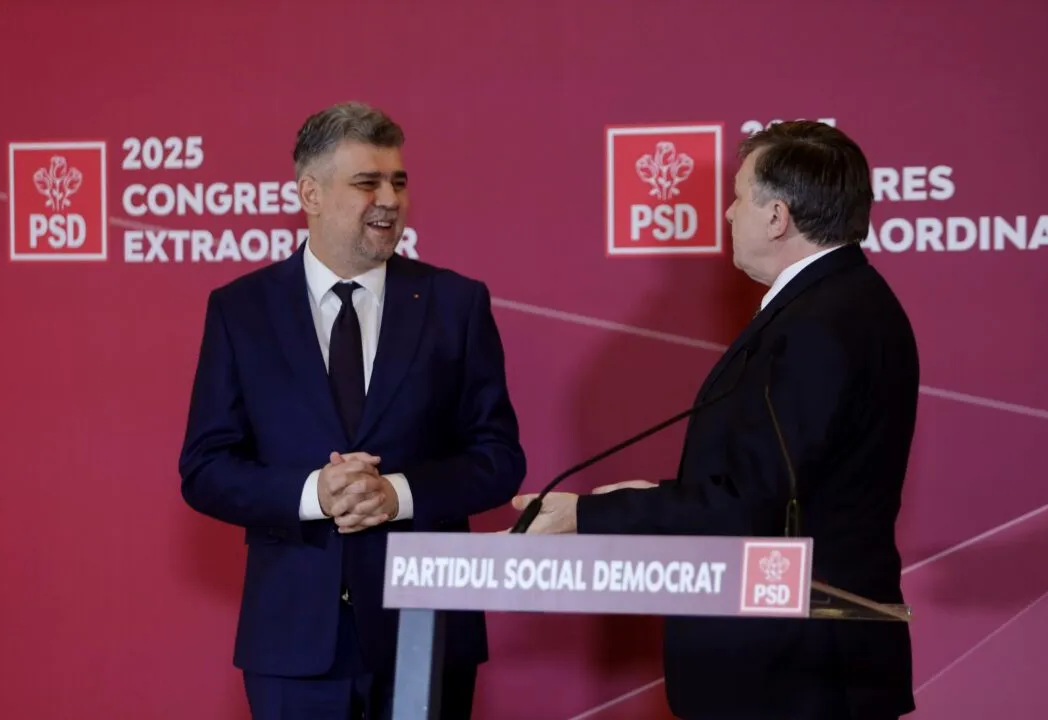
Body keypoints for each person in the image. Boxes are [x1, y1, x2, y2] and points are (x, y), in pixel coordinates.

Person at [510, 121, 918, 720]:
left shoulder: (817, 325)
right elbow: (783, 485)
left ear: (776, 217)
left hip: (794, 671)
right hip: (810, 664)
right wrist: (653, 496)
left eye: (737, 197)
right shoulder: (847, 302)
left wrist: (586, 515)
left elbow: (751, 504)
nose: (727, 214)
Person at [179, 101, 526, 720]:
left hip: (425, 632)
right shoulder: (241, 310)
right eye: (367, 182)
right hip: (293, 640)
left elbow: (498, 459)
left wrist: (397, 494)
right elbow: (205, 468)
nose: (389, 199)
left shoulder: (455, 304)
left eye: (398, 182)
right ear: (310, 193)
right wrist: (313, 493)